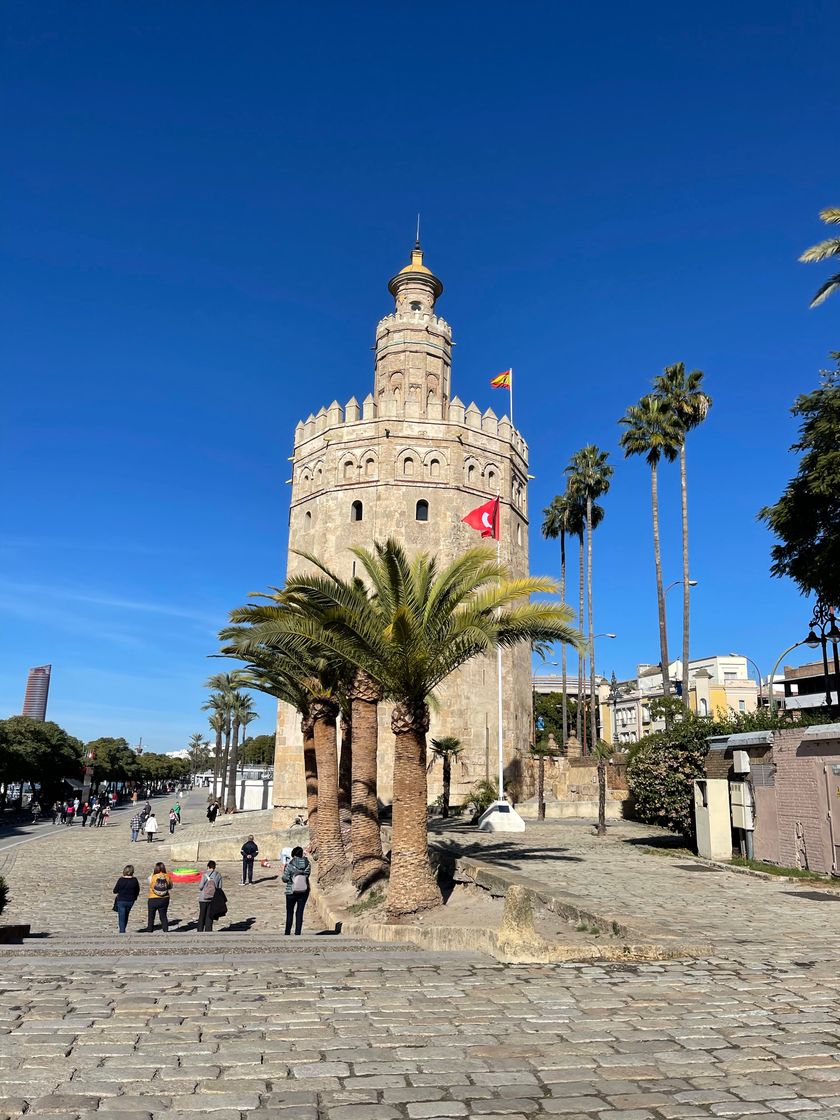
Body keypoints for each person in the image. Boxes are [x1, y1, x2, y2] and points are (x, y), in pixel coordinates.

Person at [282, 846, 311, 936]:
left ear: (293, 855)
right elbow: (307, 875)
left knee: (290, 912)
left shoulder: (290, 864)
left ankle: (287, 932)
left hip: (291, 891)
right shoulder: (307, 864)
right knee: (300, 911)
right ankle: (298, 932)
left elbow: (285, 878)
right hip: (304, 890)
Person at [113, 864, 140, 933]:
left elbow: (115, 890)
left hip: (121, 900)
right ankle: (123, 929)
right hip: (130, 901)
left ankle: (122, 931)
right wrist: (135, 897)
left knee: (121, 916)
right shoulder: (134, 880)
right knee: (126, 915)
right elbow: (137, 890)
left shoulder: (121, 880)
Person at [146, 862, 173, 932]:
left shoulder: (152, 877)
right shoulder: (167, 876)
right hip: (164, 899)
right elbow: (170, 887)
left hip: (153, 898)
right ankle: (165, 930)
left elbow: (149, 882)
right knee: (163, 916)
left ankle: (149, 930)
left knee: (151, 917)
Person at [197, 860, 222, 932]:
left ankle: (200, 931)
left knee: (202, 915)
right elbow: (219, 888)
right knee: (209, 916)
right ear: (214, 867)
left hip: (203, 898)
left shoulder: (205, 875)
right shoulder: (218, 875)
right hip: (212, 898)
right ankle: (208, 931)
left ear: (208, 866)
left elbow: (201, 886)